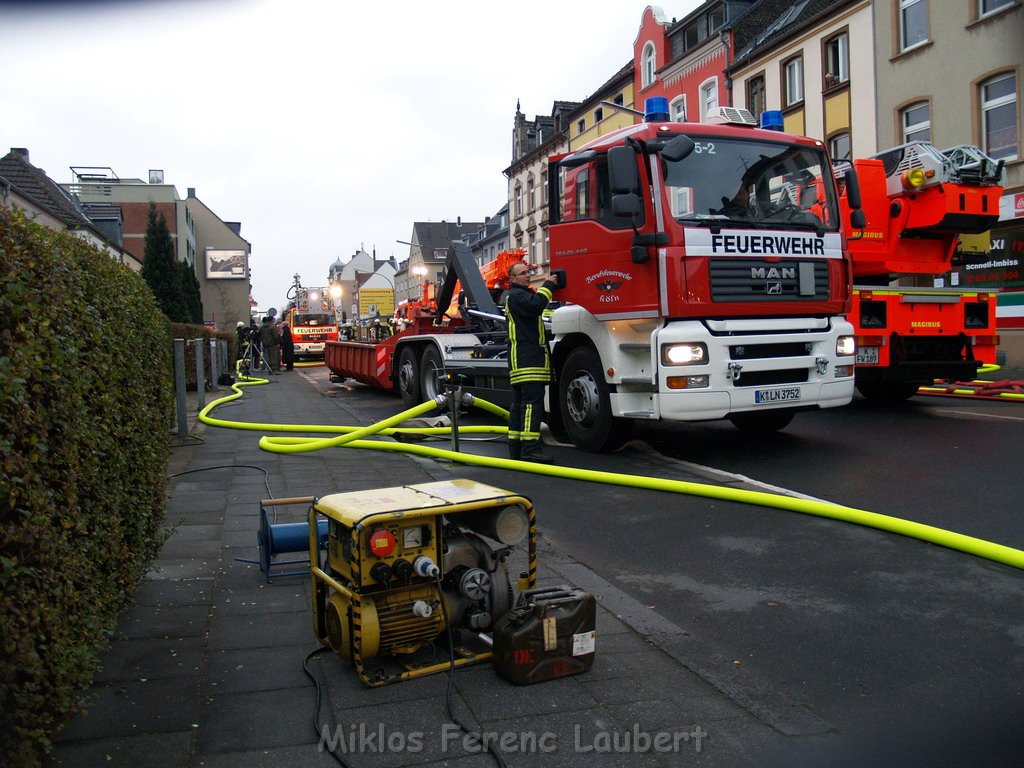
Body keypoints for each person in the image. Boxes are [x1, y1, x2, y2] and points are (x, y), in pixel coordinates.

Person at [504, 262, 557, 463]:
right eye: (523, 273)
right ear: (512, 279)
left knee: (519, 405)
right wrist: (549, 284)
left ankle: (516, 449)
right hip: (528, 359)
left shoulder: (515, 296)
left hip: (522, 358)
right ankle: (530, 449)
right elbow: (537, 304)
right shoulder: (518, 296)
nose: (528, 275)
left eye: (529, 272)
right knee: (531, 405)